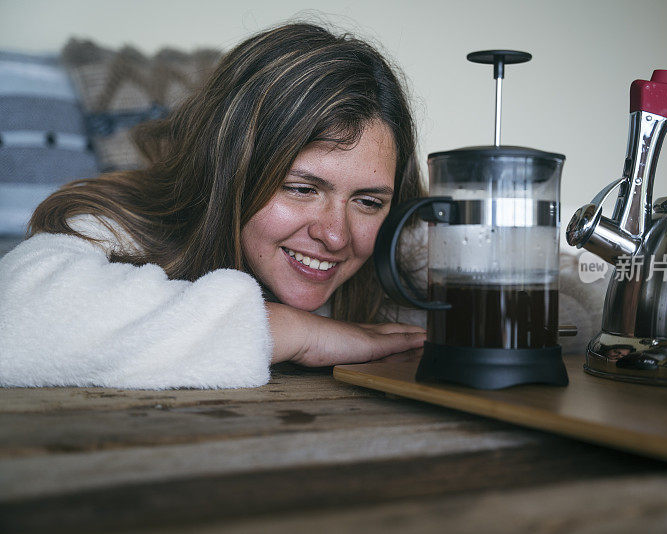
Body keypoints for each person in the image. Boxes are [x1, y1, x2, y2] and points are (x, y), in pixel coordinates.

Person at [0, 23, 427, 389]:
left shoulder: (400, 249)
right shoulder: (121, 221)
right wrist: (292, 331)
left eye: (368, 201)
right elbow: (16, 324)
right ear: (230, 174)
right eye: (301, 189)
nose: (336, 235)